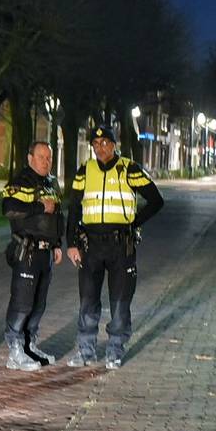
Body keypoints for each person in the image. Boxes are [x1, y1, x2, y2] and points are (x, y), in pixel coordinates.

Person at [65, 125, 164, 369]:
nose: (100, 148)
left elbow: (156, 200)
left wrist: (134, 222)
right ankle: (86, 351)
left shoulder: (129, 169)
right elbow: (74, 209)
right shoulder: (84, 171)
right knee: (88, 300)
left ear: (114, 144)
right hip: (91, 245)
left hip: (121, 246)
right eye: (96, 145)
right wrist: (71, 244)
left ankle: (115, 350)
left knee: (120, 301)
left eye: (105, 143)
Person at [1, 141, 64, 371]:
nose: (46, 161)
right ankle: (15, 350)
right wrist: (39, 208)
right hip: (27, 250)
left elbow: (58, 215)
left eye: (49, 157)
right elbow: (9, 208)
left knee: (39, 303)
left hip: (46, 252)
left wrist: (57, 243)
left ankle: (29, 344)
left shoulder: (51, 183)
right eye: (41, 157)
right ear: (30, 158)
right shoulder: (21, 181)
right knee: (22, 303)